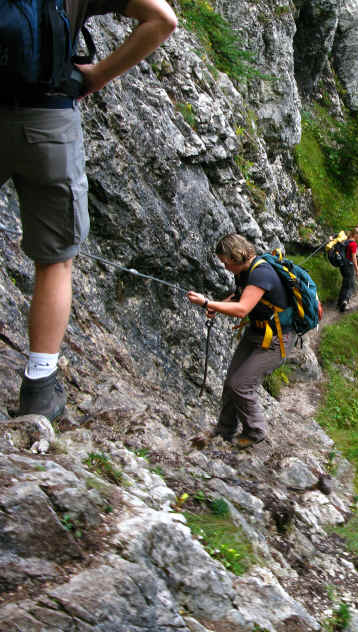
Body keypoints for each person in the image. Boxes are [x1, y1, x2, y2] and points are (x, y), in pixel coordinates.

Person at [1, 0, 177, 422]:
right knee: (56, 260)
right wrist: (96, 76)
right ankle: (40, 386)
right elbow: (162, 19)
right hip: (48, 124)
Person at [187, 234, 295, 450]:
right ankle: (225, 428)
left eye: (226, 262)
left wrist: (209, 302)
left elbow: (243, 309)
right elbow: (238, 297)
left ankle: (255, 431)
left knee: (241, 385)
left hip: (277, 339)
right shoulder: (245, 272)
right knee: (230, 384)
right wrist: (216, 305)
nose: (225, 267)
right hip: (257, 332)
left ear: (236, 256)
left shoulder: (261, 273)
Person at [336, 227, 358, 312]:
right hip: (349, 266)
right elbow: (354, 258)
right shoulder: (353, 244)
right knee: (350, 285)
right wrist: (357, 270)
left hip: (342, 265)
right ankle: (344, 303)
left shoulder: (345, 241)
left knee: (345, 283)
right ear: (356, 235)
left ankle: (339, 302)